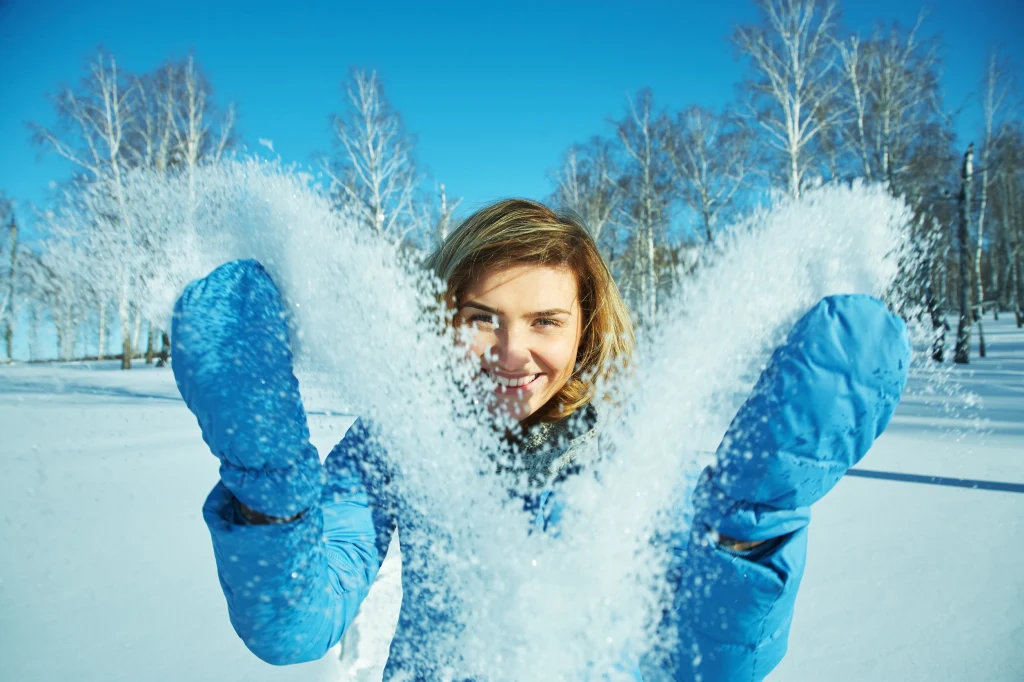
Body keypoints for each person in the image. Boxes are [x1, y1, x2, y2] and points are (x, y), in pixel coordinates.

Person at [172, 199, 910, 681]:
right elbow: (294, 624)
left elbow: (718, 663)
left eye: (546, 321)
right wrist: (265, 475)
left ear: (586, 328)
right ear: (444, 318)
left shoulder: (638, 449)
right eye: (482, 317)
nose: (511, 352)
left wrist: (763, 516)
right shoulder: (404, 436)